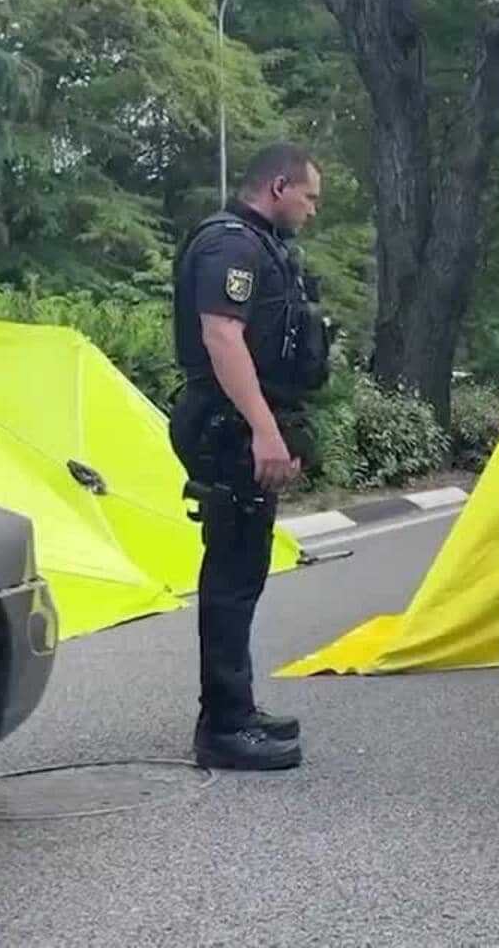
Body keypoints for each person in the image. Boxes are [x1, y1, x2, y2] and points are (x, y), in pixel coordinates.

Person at [170, 142, 330, 771]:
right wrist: (264, 429)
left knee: (244, 570)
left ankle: (236, 708)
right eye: (310, 197)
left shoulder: (261, 244)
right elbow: (221, 336)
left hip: (240, 418)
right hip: (226, 421)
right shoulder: (230, 245)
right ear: (279, 186)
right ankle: (224, 726)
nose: (313, 210)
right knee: (233, 577)